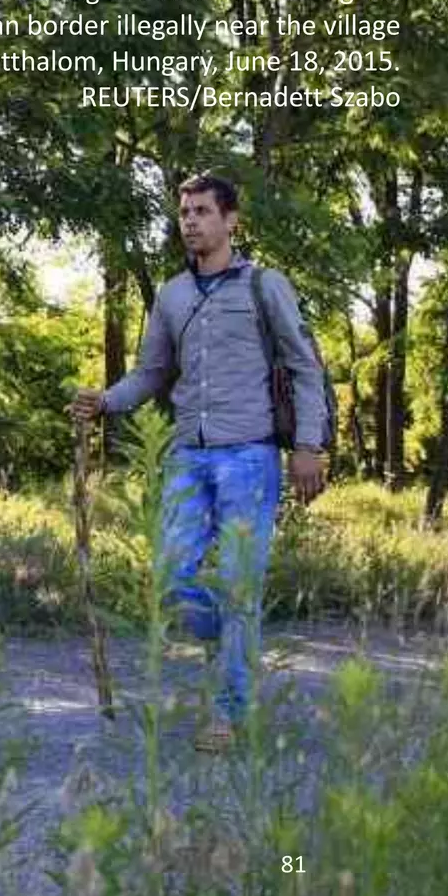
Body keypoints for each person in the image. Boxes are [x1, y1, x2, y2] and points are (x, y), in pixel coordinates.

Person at [70, 173, 327, 752]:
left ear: (231, 220)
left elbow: (304, 366)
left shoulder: (266, 286)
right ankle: (232, 635)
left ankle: (229, 714)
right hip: (187, 456)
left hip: (251, 456)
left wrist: (309, 447)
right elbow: (153, 373)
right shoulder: (172, 296)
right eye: (184, 212)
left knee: (239, 585)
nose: (190, 220)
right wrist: (106, 401)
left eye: (202, 211)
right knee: (172, 577)